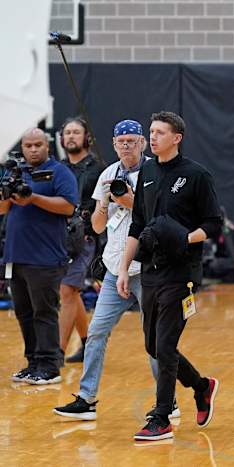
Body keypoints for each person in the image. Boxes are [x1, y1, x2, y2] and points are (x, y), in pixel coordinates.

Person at [54, 119, 173, 420]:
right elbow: (96, 226)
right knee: (95, 333)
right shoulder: (108, 174)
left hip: (148, 269)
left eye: (133, 141)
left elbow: (160, 218)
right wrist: (106, 202)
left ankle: (167, 402)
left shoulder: (156, 172)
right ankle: (86, 398)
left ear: (143, 143)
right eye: (122, 142)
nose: (127, 147)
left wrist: (130, 201)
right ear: (113, 144)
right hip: (114, 267)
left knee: (154, 339)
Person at [117, 111, 222, 441]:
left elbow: (213, 224)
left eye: (160, 132)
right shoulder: (146, 171)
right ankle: (202, 386)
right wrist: (124, 268)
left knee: (165, 343)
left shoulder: (197, 175)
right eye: (152, 132)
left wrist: (185, 238)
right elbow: (137, 225)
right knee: (153, 344)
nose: (154, 137)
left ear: (177, 138)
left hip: (183, 273)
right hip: (150, 270)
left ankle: (161, 416)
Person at [2, 128, 78, 385]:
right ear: (22, 148)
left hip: (45, 256)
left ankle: (50, 365)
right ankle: (33, 362)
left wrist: (33, 198)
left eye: (38, 145)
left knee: (43, 312)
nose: (33, 150)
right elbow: (3, 209)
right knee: (23, 312)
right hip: (16, 255)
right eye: (28, 146)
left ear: (47, 146)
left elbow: (68, 206)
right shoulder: (16, 173)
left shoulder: (60, 172)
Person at [59, 117, 105, 363]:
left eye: (76, 132)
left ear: (86, 137)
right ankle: (88, 344)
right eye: (67, 133)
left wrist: (92, 228)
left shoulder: (98, 168)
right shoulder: (57, 167)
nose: (71, 137)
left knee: (67, 289)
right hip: (59, 237)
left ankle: (56, 353)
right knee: (70, 292)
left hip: (86, 237)